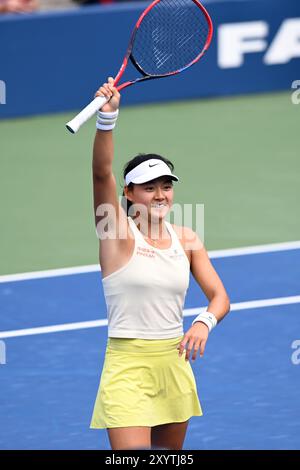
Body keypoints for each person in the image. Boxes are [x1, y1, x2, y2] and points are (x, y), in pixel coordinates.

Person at [90, 77, 230, 450]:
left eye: (166, 186)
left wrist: (204, 322)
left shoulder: (187, 239)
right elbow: (101, 173)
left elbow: (220, 296)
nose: (160, 194)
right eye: (149, 187)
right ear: (129, 193)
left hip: (174, 364)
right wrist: (108, 120)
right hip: (127, 369)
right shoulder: (115, 235)